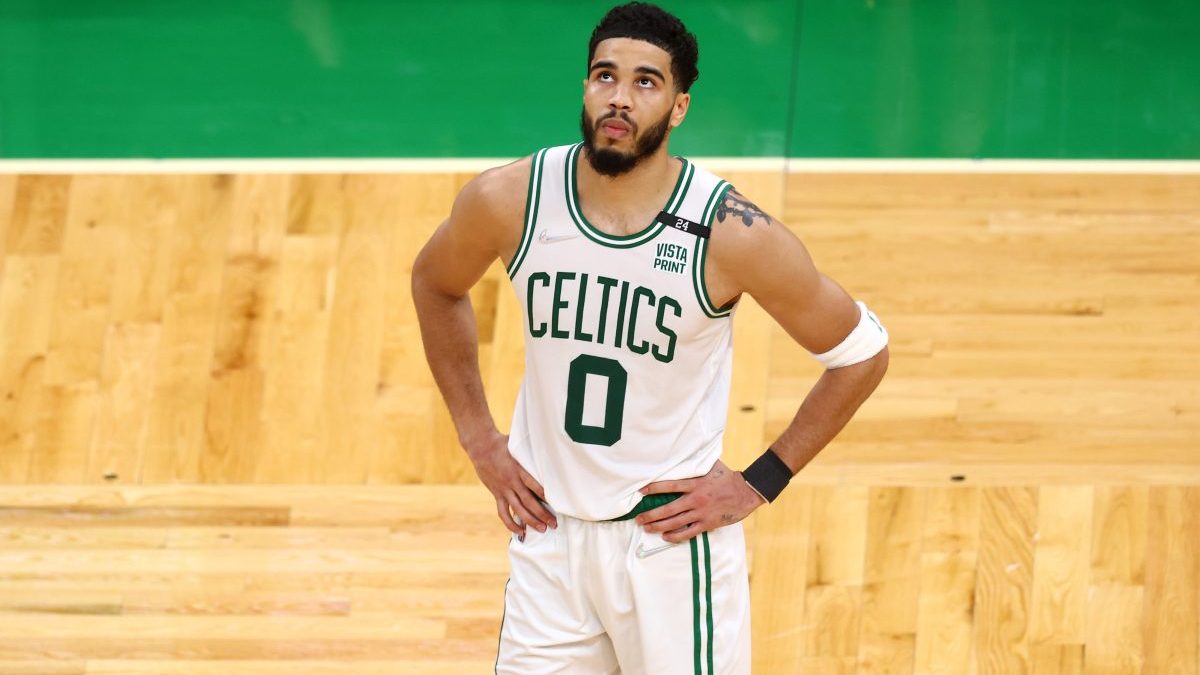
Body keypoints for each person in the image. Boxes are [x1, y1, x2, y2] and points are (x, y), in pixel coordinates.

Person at [411, 3, 889, 673]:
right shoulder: (510, 199)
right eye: (605, 75)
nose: (619, 97)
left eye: (646, 82)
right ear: (585, 86)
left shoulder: (731, 233)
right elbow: (435, 284)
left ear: (679, 106)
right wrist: (478, 436)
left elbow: (861, 354)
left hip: (668, 549)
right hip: (549, 541)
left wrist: (760, 481)